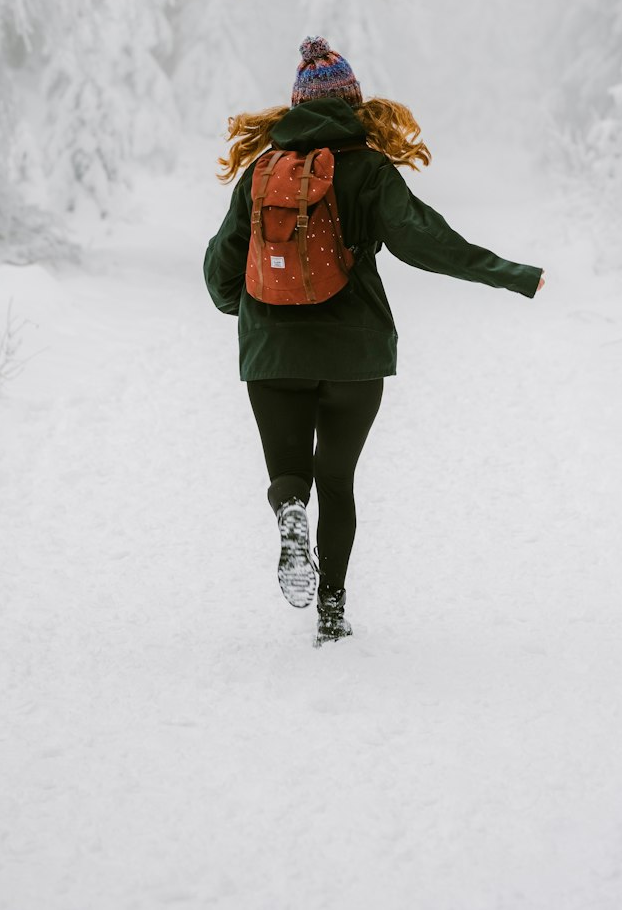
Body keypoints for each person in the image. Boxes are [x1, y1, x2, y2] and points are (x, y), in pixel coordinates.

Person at [203, 36, 544, 647]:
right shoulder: (367, 169)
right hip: (353, 354)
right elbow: (425, 241)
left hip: (270, 353)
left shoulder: (261, 171)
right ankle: (331, 613)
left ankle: (288, 514)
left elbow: (220, 268)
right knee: (336, 479)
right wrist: (512, 274)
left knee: (290, 472)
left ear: (296, 106)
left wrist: (251, 313)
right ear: (355, 105)